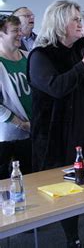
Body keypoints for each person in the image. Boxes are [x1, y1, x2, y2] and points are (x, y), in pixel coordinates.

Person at [27, 0, 84, 247]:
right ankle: (73, 239)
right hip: (60, 136)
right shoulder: (41, 55)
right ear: (59, 23)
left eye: (80, 19)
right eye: (75, 20)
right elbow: (57, 87)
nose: (80, 24)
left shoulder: (82, 47)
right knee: (68, 190)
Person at [0, 15, 32, 179]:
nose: (20, 33)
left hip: (32, 132)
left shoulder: (28, 56)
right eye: (14, 31)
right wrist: (21, 124)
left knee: (33, 178)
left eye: (20, 29)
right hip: (8, 138)